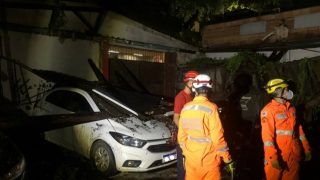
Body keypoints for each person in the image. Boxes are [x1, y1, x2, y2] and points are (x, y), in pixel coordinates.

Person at [178, 74, 235, 180]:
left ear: (194, 89)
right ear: (209, 89)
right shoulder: (211, 108)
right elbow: (217, 139)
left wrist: (186, 153)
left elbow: (181, 137)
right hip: (209, 161)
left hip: (191, 161)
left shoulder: (186, 108)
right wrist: (228, 159)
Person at [261, 78, 312, 180]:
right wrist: (272, 157)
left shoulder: (291, 108)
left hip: (294, 154)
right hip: (279, 155)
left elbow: (299, 131)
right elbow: (267, 138)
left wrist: (307, 148)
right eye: (286, 89)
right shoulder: (268, 110)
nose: (288, 91)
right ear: (278, 91)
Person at [173, 70, 198, 180]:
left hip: (191, 137)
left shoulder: (192, 97)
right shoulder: (180, 97)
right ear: (187, 82)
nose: (194, 84)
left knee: (190, 167)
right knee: (183, 168)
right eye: (193, 81)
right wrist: (186, 133)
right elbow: (175, 118)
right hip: (184, 138)